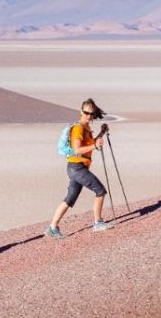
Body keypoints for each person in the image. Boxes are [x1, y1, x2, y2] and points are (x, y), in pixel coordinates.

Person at [45, 99, 112, 238]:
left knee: (70, 199)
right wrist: (95, 146)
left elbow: (90, 145)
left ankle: (52, 227)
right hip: (77, 167)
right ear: (81, 111)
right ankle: (97, 223)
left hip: (76, 167)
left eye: (91, 113)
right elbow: (77, 149)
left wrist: (101, 133)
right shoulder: (79, 128)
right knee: (100, 191)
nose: (89, 115)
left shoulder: (86, 128)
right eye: (86, 113)